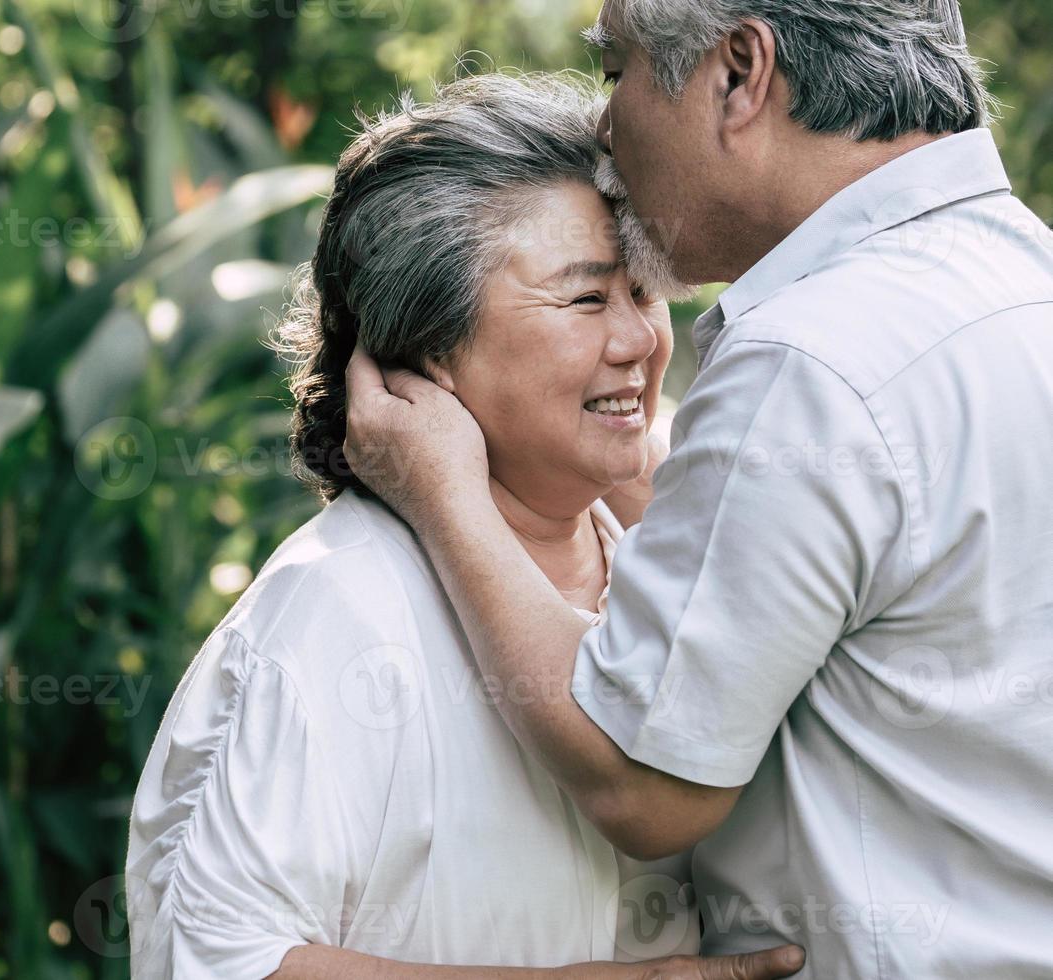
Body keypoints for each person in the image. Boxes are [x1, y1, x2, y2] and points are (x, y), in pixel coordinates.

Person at [343, 1, 1053, 977]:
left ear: (738, 74)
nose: (605, 122)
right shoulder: (1020, 283)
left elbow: (645, 780)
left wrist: (442, 490)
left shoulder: (814, 358)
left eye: (617, 69)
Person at [126, 72, 802, 980]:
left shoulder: (655, 564)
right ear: (431, 350)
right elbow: (219, 960)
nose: (642, 340)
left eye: (646, 292)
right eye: (585, 299)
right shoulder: (342, 604)